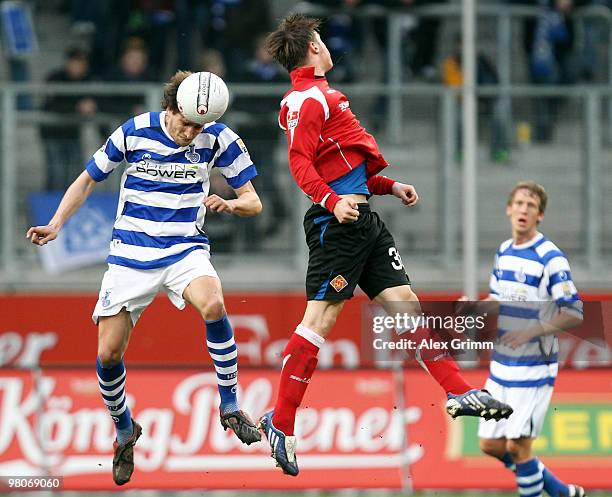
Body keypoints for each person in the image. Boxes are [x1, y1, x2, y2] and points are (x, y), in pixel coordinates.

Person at [259, 14, 513, 477]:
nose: (328, 46)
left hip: (363, 222)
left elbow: (342, 166)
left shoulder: (319, 98)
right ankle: (281, 423)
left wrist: (388, 186)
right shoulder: (308, 99)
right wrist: (333, 203)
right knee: (320, 318)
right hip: (336, 225)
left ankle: (458, 392)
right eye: (322, 40)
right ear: (313, 49)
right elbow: (300, 164)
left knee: (406, 305)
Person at [26, 70, 262, 486]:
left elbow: (253, 202)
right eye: (185, 122)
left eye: (198, 126)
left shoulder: (220, 138)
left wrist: (230, 204)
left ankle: (229, 405)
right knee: (109, 356)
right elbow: (86, 180)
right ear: (170, 107)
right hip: (130, 258)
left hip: (185, 249)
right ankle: (124, 430)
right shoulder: (134, 131)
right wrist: (57, 223)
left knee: (214, 302)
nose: (191, 132)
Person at [466, 181, 585, 497]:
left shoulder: (550, 257)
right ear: (509, 209)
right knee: (490, 444)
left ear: (540, 215)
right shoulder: (504, 251)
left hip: (534, 367)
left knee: (519, 447)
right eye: (519, 203)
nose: (523, 209)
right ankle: (560, 491)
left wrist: (531, 330)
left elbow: (574, 313)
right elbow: (498, 297)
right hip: (502, 364)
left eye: (531, 205)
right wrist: (477, 305)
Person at [40, 47, 97, 190]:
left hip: (73, 132)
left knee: (76, 173)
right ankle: (51, 207)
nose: (79, 66)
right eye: (76, 62)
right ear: (68, 63)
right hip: (52, 132)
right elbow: (51, 104)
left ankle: (71, 207)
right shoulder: (55, 77)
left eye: (82, 63)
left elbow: (100, 100)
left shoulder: (87, 80)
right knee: (56, 173)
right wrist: (77, 107)